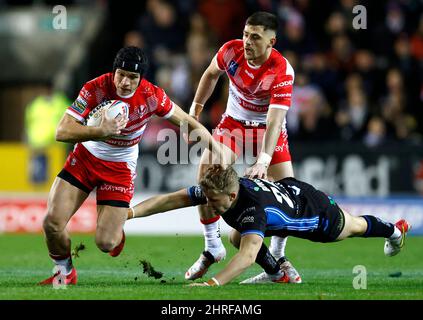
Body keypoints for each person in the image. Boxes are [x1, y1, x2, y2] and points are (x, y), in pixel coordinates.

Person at [38, 46, 224, 286]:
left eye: (132, 77)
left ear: (141, 78)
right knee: (51, 223)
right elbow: (61, 131)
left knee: (106, 243)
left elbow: (186, 121)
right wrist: (98, 131)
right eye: (121, 74)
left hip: (119, 168)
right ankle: (64, 273)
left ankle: (115, 233)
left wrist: (217, 149)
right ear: (113, 71)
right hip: (85, 158)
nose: (125, 82)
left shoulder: (151, 95)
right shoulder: (95, 88)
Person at [126, 164, 411, 286]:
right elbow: (170, 200)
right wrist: (131, 213)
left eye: (214, 201)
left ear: (232, 196)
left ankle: (394, 230)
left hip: (317, 214)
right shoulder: (221, 190)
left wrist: (213, 285)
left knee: (355, 226)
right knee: (237, 237)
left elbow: (247, 257)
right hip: (289, 190)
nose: (208, 205)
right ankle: (278, 273)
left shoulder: (252, 210)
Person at [186, 11, 300, 282]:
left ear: (272, 42)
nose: (247, 41)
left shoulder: (282, 71)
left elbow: (274, 121)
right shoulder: (231, 51)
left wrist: (263, 158)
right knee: (207, 175)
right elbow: (211, 74)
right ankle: (212, 246)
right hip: (235, 124)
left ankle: (278, 255)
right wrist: (195, 110)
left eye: (256, 37)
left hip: (266, 130)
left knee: (290, 194)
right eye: (246, 34)